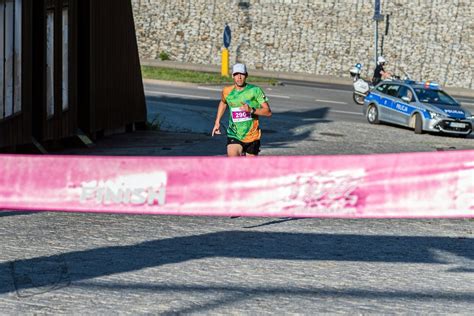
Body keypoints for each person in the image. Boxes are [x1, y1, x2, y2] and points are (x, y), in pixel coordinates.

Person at [211, 63, 272, 157]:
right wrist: (217, 121)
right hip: (234, 134)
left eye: (242, 74)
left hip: (252, 137)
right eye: (236, 74)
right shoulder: (227, 91)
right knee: (233, 163)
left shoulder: (255, 90)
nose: (239, 77)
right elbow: (223, 103)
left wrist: (251, 110)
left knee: (248, 169)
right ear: (232, 76)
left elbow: (268, 112)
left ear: (246, 75)